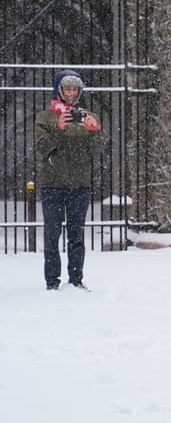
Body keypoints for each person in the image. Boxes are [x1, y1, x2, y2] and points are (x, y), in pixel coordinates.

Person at [34, 69, 102, 291]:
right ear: (59, 90)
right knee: (52, 235)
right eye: (67, 88)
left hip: (80, 186)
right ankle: (52, 282)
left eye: (75, 89)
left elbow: (98, 150)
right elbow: (42, 148)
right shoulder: (45, 117)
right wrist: (58, 129)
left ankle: (76, 280)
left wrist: (94, 131)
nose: (71, 93)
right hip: (52, 186)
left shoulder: (88, 116)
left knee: (77, 236)